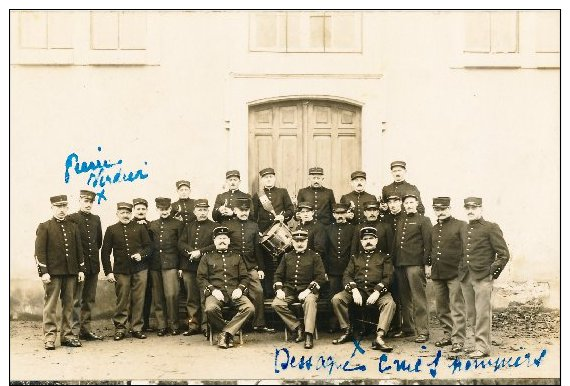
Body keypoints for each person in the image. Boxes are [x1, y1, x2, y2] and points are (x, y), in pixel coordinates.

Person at [459, 197, 510, 359]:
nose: (470, 210)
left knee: (482, 313)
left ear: (481, 209)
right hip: (466, 276)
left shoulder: (491, 227)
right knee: (472, 314)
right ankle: (478, 344)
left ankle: (482, 347)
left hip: (482, 277)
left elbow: (503, 254)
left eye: (474, 207)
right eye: (467, 207)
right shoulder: (464, 228)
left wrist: (490, 273)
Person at [331, 227, 396, 352]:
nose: (368, 241)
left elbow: (388, 277)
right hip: (359, 291)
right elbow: (347, 275)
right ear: (361, 242)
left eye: (371, 238)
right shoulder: (355, 257)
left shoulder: (384, 257)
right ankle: (347, 330)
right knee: (337, 299)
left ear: (376, 240)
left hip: (378, 292)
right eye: (365, 239)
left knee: (389, 303)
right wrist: (354, 290)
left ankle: (380, 337)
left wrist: (377, 292)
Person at [35, 195, 86, 350]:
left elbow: (79, 250)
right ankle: (49, 337)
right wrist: (43, 272)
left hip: (71, 272)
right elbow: (39, 252)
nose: (62, 210)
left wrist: (81, 269)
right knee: (50, 305)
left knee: (69, 305)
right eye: (58, 207)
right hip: (53, 274)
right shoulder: (45, 226)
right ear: (52, 208)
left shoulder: (73, 227)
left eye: (64, 207)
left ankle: (68, 336)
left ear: (67, 208)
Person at [101, 202, 152, 341]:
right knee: (122, 299)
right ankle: (120, 328)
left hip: (140, 269)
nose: (125, 215)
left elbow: (149, 247)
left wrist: (141, 255)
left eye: (128, 213)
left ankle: (136, 328)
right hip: (121, 270)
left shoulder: (140, 228)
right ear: (117, 214)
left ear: (131, 214)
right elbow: (105, 253)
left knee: (139, 299)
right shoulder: (111, 229)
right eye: (122, 212)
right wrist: (108, 272)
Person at [197, 226, 255, 349]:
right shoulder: (206, 257)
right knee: (210, 309)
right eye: (219, 238)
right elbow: (201, 278)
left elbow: (245, 277)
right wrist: (213, 290)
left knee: (249, 308)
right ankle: (229, 333)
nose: (222, 240)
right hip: (216, 293)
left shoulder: (237, 256)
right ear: (214, 241)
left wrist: (240, 288)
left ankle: (225, 333)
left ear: (229, 241)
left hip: (234, 292)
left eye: (224, 238)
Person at [271, 230, 327, 349]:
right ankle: (297, 327)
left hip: (309, 290)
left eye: (302, 241)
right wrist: (280, 290)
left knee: (310, 302)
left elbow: (321, 277)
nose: (300, 243)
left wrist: (308, 291)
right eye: (297, 241)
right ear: (292, 242)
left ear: (307, 241)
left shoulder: (314, 256)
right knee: (277, 304)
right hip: (289, 290)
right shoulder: (286, 256)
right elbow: (278, 275)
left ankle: (308, 335)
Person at [227, 198, 273, 333]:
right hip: (233, 267)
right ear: (235, 211)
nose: (244, 213)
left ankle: (259, 323)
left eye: (246, 210)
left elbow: (257, 249)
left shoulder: (254, 226)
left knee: (258, 291)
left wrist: (261, 268)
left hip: (250, 266)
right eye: (241, 210)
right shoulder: (228, 225)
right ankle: (238, 324)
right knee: (233, 292)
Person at [392, 193, 432, 343]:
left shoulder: (424, 220)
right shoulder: (401, 221)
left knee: (418, 298)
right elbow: (396, 244)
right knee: (404, 298)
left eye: (411, 202)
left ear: (417, 203)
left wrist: (427, 264)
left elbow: (428, 244)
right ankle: (407, 328)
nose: (408, 205)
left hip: (415, 265)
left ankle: (423, 331)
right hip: (400, 265)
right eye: (406, 203)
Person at [430, 197, 467, 353]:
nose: (441, 212)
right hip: (438, 274)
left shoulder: (460, 226)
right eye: (437, 209)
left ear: (450, 208)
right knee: (441, 308)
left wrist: (462, 271)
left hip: (455, 274)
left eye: (443, 209)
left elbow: (467, 250)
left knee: (457, 307)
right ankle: (448, 335)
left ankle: (458, 340)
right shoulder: (433, 228)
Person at [252, 167, 294, 297]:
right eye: (265, 177)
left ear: (274, 178)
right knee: (267, 264)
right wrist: (258, 231)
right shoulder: (257, 195)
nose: (268, 179)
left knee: (284, 262)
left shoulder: (282, 192)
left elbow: (290, 209)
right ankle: (269, 292)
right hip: (265, 234)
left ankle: (285, 291)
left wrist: (283, 216)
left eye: (271, 177)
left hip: (281, 232)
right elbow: (253, 216)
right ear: (262, 180)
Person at [178, 199, 218, 336]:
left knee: (205, 296)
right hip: (189, 267)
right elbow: (181, 243)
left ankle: (206, 326)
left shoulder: (214, 226)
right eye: (199, 210)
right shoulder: (188, 226)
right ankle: (193, 325)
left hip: (206, 268)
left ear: (208, 211)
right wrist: (191, 251)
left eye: (205, 210)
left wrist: (200, 252)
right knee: (191, 298)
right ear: (195, 211)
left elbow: (215, 245)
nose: (202, 213)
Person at [68, 190, 103, 341]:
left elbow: (98, 242)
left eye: (90, 202)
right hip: (78, 267)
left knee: (89, 299)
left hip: (93, 265)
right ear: (80, 201)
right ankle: (74, 331)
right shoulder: (72, 218)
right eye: (85, 201)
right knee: (76, 299)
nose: (88, 204)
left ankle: (85, 329)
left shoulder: (96, 219)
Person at [149, 197, 184, 336]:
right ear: (157, 209)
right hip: (155, 265)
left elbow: (181, 245)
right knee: (158, 297)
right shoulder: (152, 224)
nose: (164, 211)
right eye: (161, 209)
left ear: (170, 209)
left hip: (171, 264)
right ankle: (161, 325)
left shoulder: (178, 224)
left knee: (172, 295)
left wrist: (181, 266)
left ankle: (174, 324)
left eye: (166, 209)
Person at [323, 202, 355, 332]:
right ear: (333, 215)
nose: (340, 216)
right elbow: (325, 251)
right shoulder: (328, 229)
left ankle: (351, 325)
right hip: (332, 270)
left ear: (347, 214)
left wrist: (352, 269)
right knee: (333, 297)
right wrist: (325, 270)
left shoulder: (353, 229)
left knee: (350, 297)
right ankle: (333, 324)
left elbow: (354, 251)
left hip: (349, 270)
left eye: (343, 213)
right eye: (337, 213)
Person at [382, 194, 405, 336]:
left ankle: (406, 325)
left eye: (396, 201)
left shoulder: (405, 218)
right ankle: (393, 325)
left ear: (400, 203)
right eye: (390, 202)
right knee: (392, 292)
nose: (393, 204)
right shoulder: (385, 219)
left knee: (403, 294)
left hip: (402, 260)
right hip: (388, 260)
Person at [132, 198, 155, 332]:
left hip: (150, 264)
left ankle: (144, 323)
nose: (141, 211)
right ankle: (133, 323)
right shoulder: (129, 223)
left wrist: (145, 226)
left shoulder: (150, 225)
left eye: (143, 209)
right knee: (134, 294)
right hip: (134, 264)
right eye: (138, 209)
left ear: (147, 210)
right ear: (134, 210)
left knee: (147, 294)